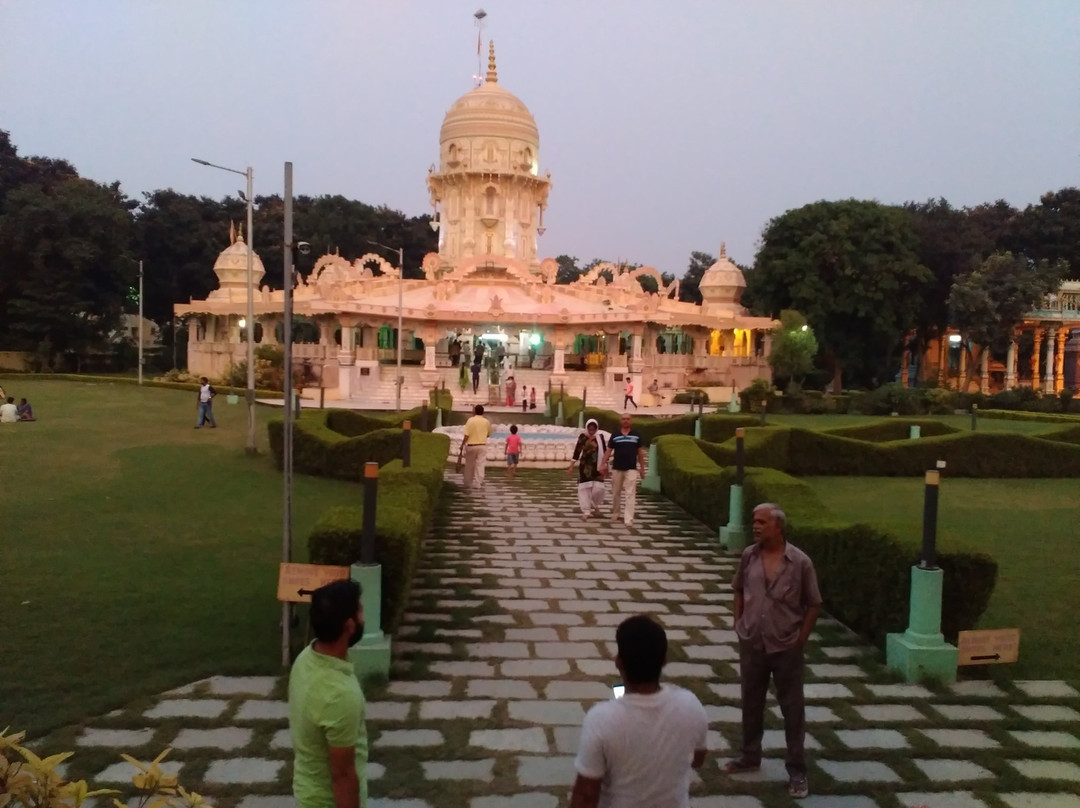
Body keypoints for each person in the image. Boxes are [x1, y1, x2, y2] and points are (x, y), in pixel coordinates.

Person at [724, 502, 822, 800]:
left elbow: (814, 603)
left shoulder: (800, 562)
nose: (755, 526)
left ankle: (797, 770)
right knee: (751, 701)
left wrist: (800, 640)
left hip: (786, 646)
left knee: (792, 708)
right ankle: (750, 755)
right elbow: (739, 589)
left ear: (778, 527)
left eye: (761, 522)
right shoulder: (748, 556)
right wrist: (739, 622)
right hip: (753, 642)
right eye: (754, 521)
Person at [571, 614, 707, 808]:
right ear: (664, 661)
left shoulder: (601, 719)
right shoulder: (690, 705)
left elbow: (587, 793)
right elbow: (698, 759)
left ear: (619, 661)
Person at [288, 579, 368, 808]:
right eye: (360, 610)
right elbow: (342, 775)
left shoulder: (307, 658)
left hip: (307, 790)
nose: (364, 615)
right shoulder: (340, 696)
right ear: (349, 626)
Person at [603, 413, 645, 527]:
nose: (626, 421)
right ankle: (616, 513)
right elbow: (609, 450)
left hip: (631, 468)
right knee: (616, 492)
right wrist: (603, 464)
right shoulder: (615, 435)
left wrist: (642, 468)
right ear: (620, 421)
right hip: (617, 468)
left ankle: (628, 518)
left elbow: (640, 452)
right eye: (623, 419)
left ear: (631, 421)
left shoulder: (636, 435)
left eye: (628, 419)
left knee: (630, 493)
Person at [568, 418, 607, 519]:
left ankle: (594, 504)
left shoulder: (600, 437)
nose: (591, 432)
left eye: (593, 429)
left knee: (599, 489)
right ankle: (586, 511)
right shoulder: (583, 437)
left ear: (596, 429)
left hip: (598, 467)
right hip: (585, 467)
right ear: (587, 428)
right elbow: (577, 451)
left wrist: (605, 465)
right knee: (585, 489)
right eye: (590, 429)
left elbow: (605, 451)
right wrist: (571, 466)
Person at [462, 404, 492, 489]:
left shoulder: (470, 420)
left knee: (469, 465)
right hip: (482, 445)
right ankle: (478, 482)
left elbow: (466, 435)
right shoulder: (486, 421)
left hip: (471, 446)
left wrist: (462, 444)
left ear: (474, 411)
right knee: (480, 465)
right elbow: (488, 434)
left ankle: (468, 482)